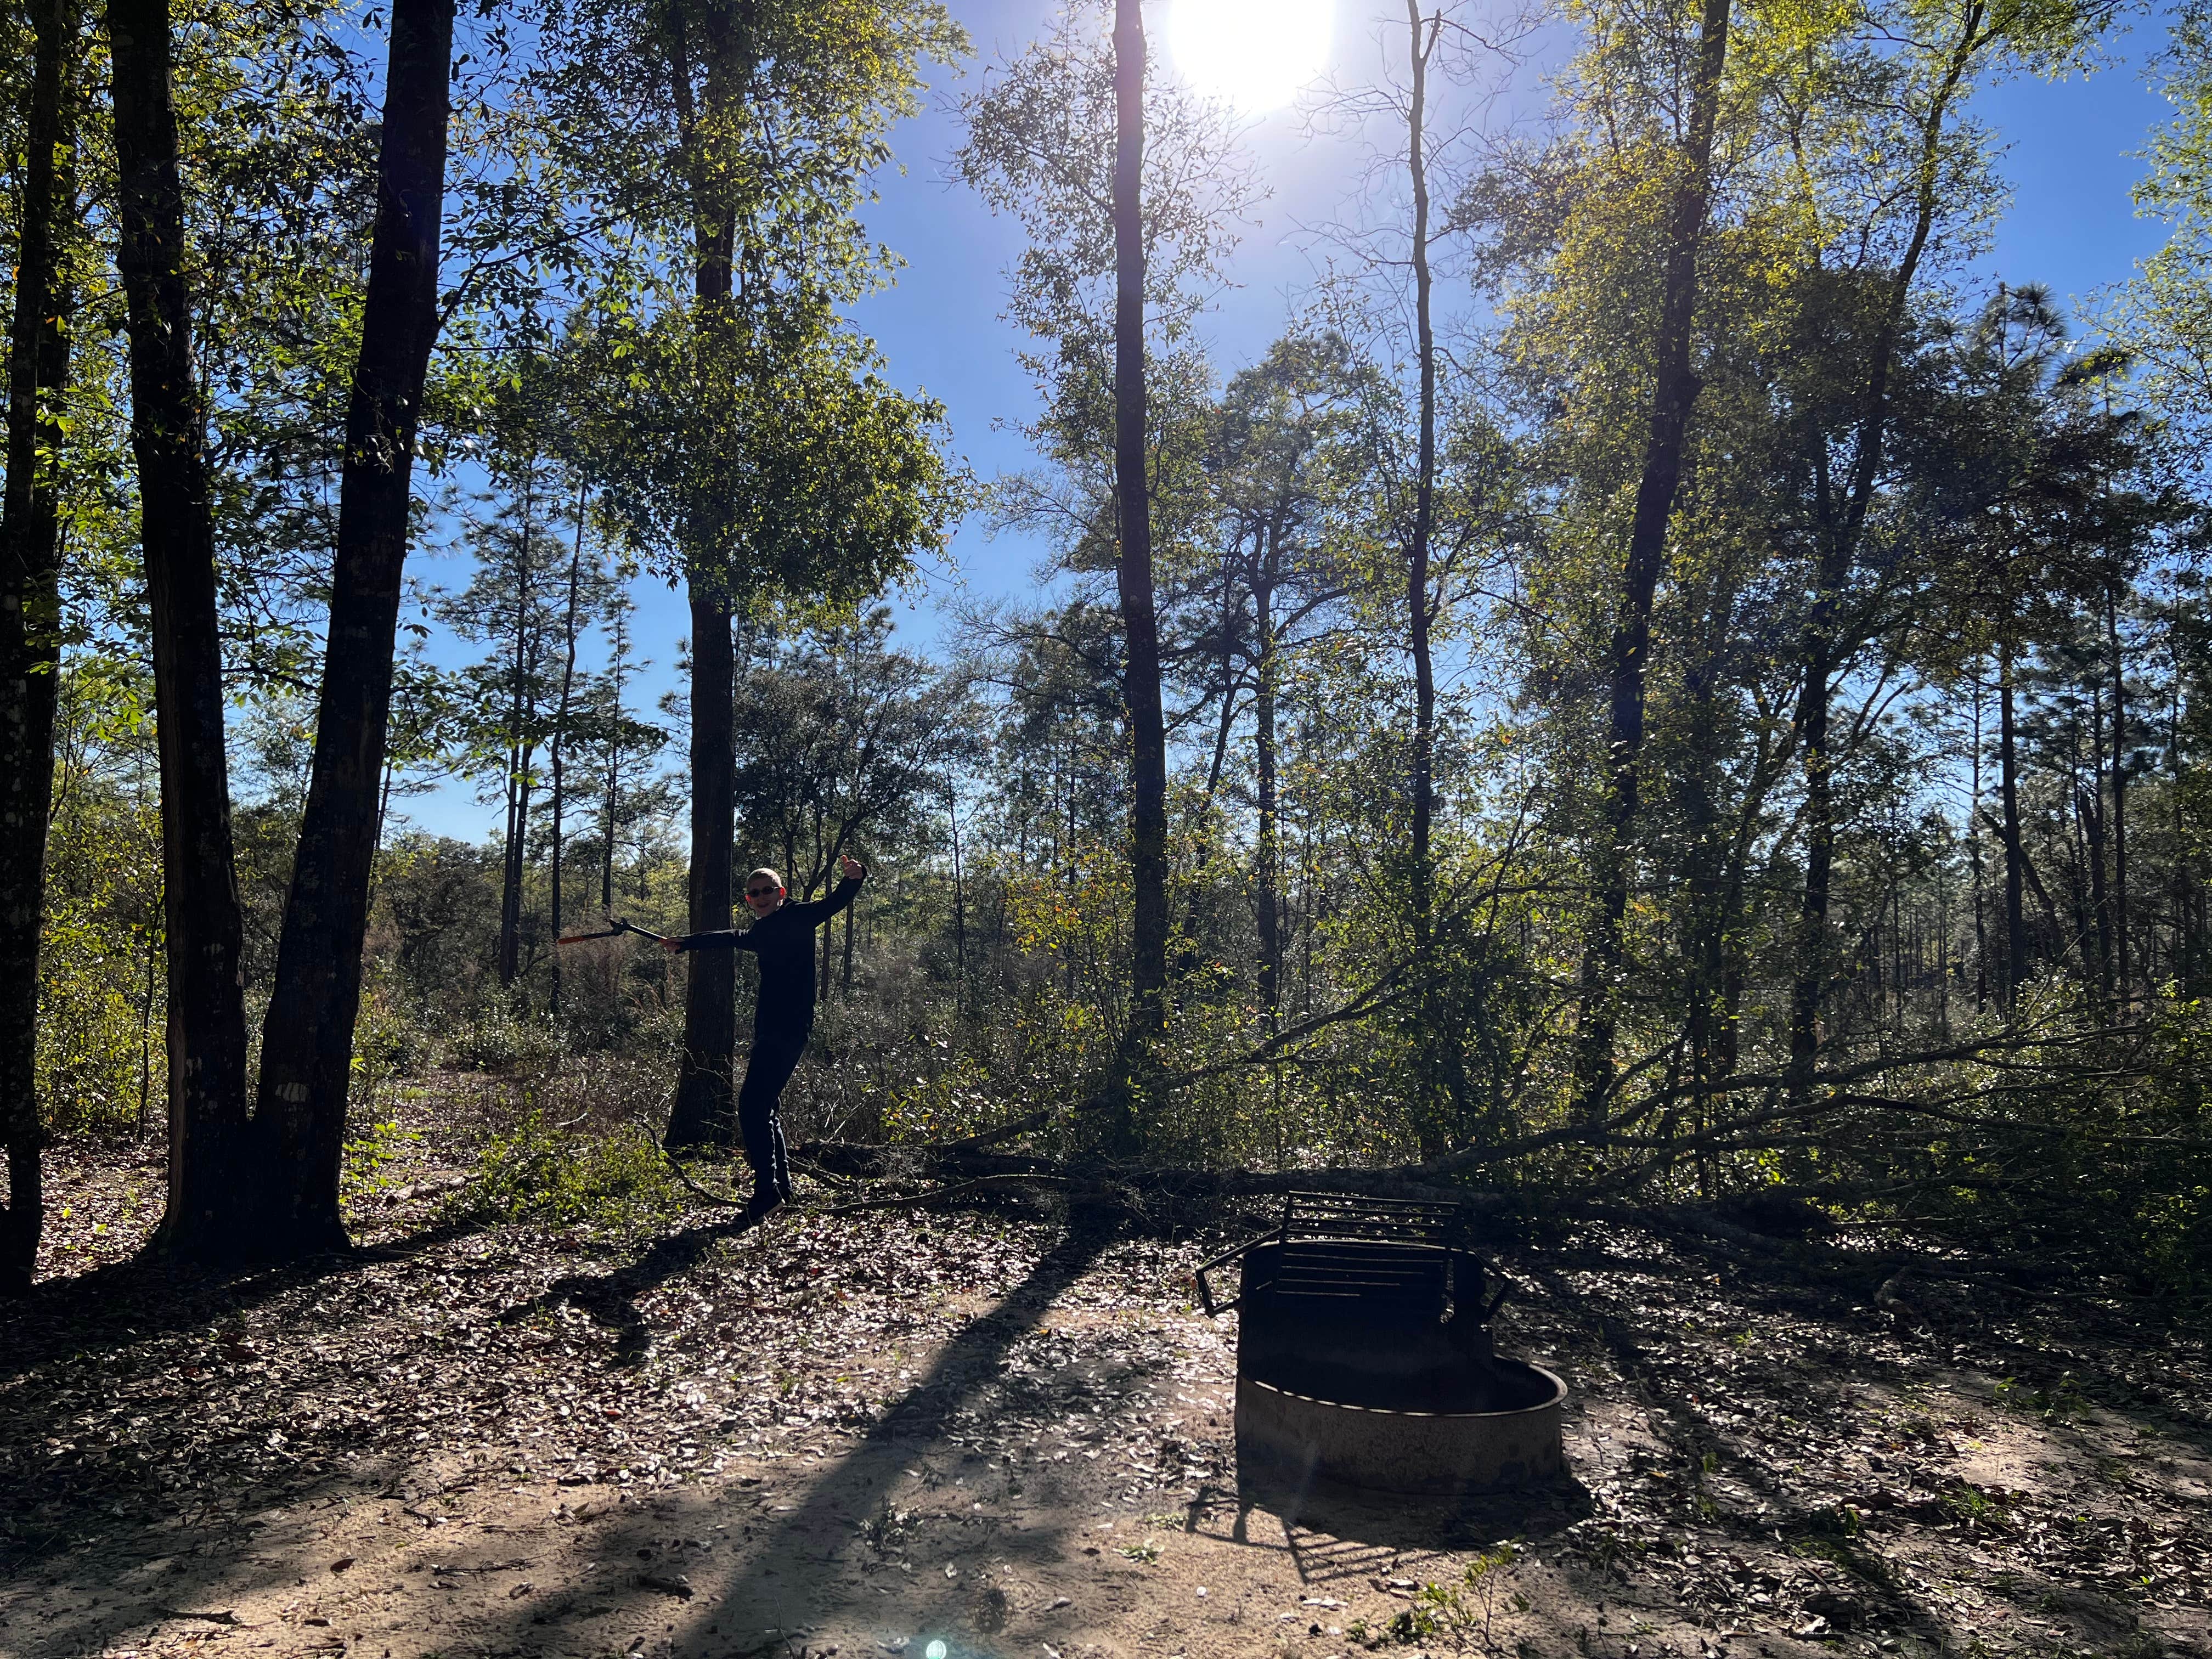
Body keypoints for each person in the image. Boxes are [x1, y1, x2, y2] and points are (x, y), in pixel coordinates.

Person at [663, 851, 868, 1216]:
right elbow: (729, 936)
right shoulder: (760, 931)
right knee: (765, 1107)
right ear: (749, 899)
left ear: (781, 892)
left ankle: (767, 1193)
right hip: (767, 1030)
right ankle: (782, 1190)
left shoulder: (799, 916)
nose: (760, 898)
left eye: (766, 891)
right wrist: (687, 942)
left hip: (790, 1030)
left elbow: (836, 901)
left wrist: (855, 876)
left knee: (752, 1107)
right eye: (754, 894)